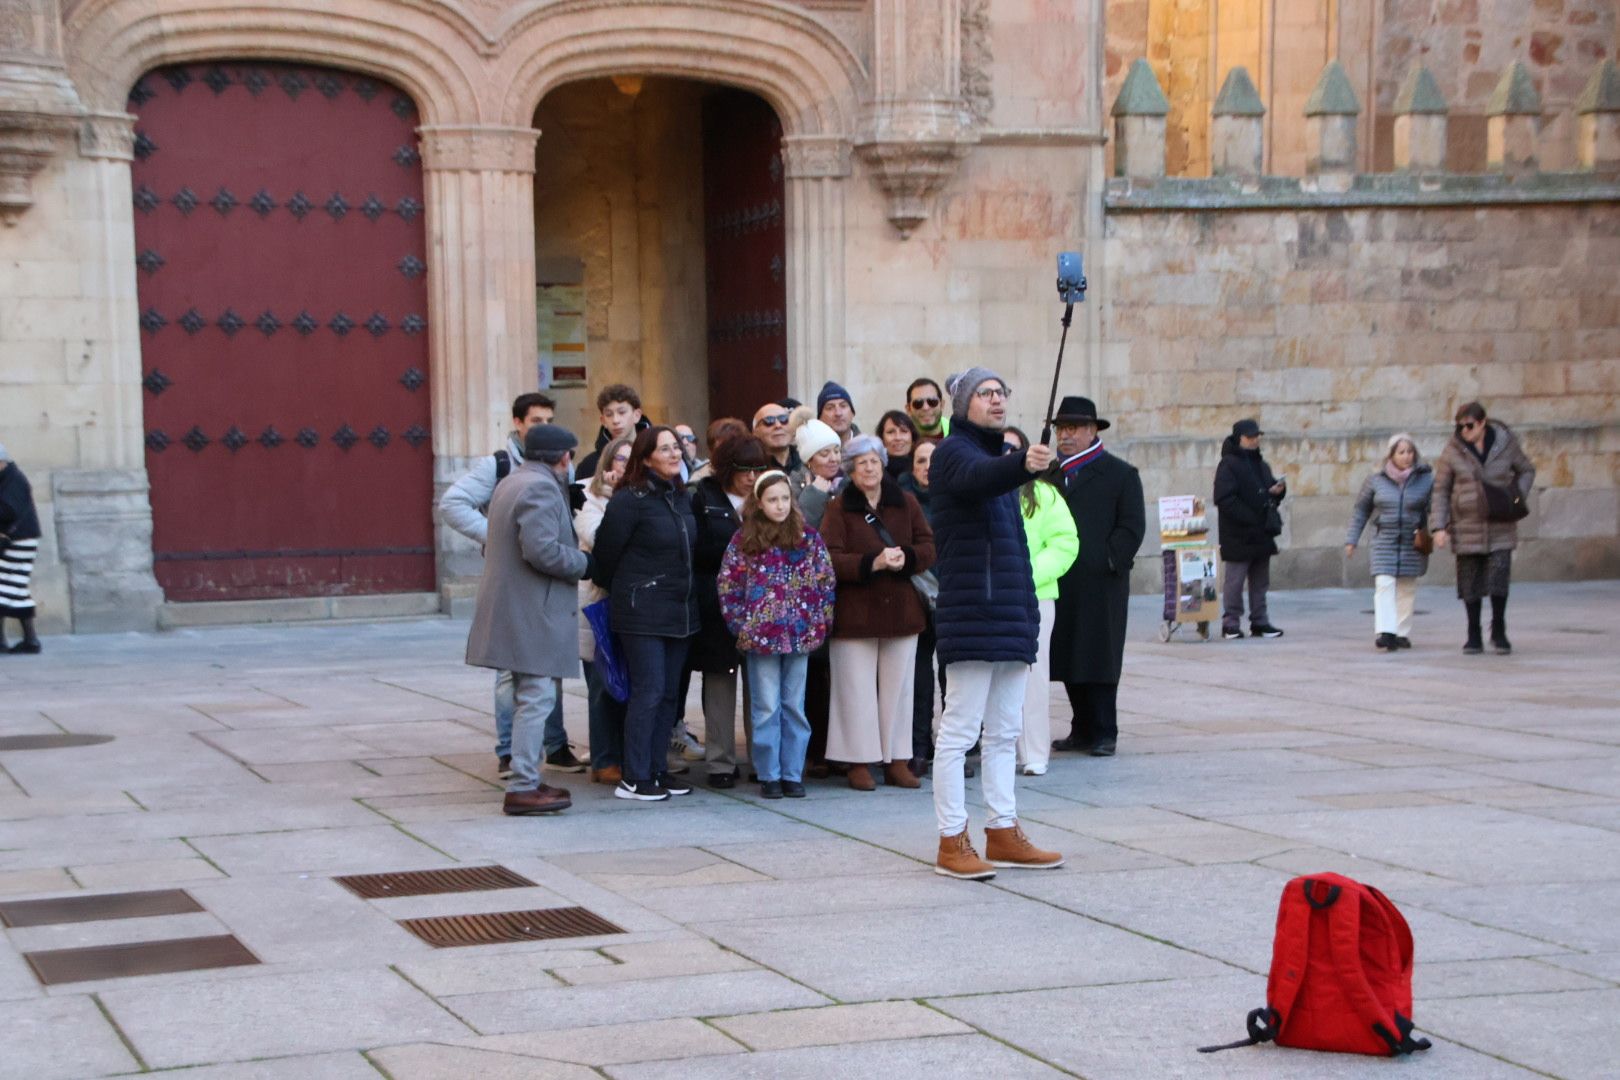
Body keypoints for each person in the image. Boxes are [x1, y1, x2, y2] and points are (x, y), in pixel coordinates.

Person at [929, 368, 1064, 879]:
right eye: (985, 393)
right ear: (963, 405)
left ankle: (1003, 830)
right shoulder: (953, 454)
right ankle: (951, 839)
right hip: (973, 612)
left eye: (1001, 392)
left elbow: (1017, 551)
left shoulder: (1000, 463)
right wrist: (1021, 464)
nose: (996, 399)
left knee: (1005, 732)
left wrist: (1028, 609)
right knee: (960, 731)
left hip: (1009, 613)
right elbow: (976, 480)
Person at [439, 392, 581, 777]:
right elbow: (453, 504)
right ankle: (517, 765)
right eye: (536, 420)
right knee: (524, 685)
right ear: (518, 424)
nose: (543, 425)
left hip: (532, 596)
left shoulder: (532, 476)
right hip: (525, 595)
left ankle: (548, 749)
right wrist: (496, 536)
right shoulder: (508, 470)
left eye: (548, 418)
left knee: (538, 683)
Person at [464, 424, 591, 815]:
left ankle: (527, 777)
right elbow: (542, 551)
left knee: (527, 697)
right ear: (564, 457)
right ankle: (522, 785)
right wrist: (585, 563)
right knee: (536, 698)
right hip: (532, 610)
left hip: (515, 607)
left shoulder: (513, 481)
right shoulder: (539, 487)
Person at [819, 435, 935, 791]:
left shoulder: (907, 502)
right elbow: (829, 558)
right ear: (851, 470)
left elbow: (928, 545)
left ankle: (897, 760)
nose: (868, 468)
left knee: (899, 690)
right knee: (855, 691)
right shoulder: (839, 507)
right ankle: (858, 761)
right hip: (856, 615)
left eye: (874, 461)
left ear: (883, 465)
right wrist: (873, 562)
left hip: (901, 611)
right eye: (861, 463)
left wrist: (907, 558)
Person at [591, 426, 700, 801]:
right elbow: (604, 558)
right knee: (648, 691)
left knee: (669, 694)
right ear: (646, 456)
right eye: (664, 449)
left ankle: (657, 768)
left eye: (677, 448)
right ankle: (634, 777)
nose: (674, 454)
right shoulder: (630, 500)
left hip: (679, 608)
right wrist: (634, 588)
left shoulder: (681, 496)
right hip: (641, 610)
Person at [718, 470, 837, 799]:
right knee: (766, 706)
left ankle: (792, 772)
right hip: (761, 637)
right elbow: (729, 585)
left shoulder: (807, 537)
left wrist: (821, 620)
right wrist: (741, 625)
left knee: (794, 706)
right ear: (759, 503)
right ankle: (769, 772)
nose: (780, 505)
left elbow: (825, 580)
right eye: (773, 500)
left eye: (785, 498)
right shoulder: (744, 541)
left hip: (800, 634)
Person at [1048, 397, 1144, 758]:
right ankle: (1081, 726)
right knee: (1069, 655)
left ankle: (1105, 729)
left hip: (1101, 583)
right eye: (1061, 429)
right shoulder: (1050, 475)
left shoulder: (1120, 474)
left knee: (1099, 657)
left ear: (1092, 431)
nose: (1066, 435)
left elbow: (1132, 527)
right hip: (1062, 580)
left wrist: (1108, 559)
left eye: (1073, 428)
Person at [690, 435, 771, 788]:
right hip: (717, 604)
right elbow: (698, 548)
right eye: (744, 470)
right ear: (727, 469)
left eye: (758, 469)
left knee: (761, 687)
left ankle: (762, 760)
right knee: (720, 685)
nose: (752, 477)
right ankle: (720, 762)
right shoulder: (703, 497)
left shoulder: (770, 496)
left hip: (761, 606)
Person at [1001, 427, 1079, 777]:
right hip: (994, 597)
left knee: (1032, 677)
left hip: (1034, 596)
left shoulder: (1044, 495)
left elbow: (1064, 542)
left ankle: (1033, 751)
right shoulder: (986, 494)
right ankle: (1003, 748)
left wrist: (1027, 575)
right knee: (998, 678)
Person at [1431, 402, 1536, 655]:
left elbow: (1526, 469)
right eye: (1460, 426)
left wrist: (1516, 495)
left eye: (1469, 426)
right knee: (1470, 579)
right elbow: (1441, 489)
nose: (1464, 431)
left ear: (1482, 423)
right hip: (1466, 521)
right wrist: (1439, 526)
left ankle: (1498, 629)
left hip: (1500, 519)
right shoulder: (1453, 450)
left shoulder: (1504, 444)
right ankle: (1473, 633)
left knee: (1499, 574)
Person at [575, 435, 634, 784]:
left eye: (631, 459)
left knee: (630, 681)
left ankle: (629, 753)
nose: (625, 465)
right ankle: (604, 758)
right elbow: (601, 539)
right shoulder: (587, 496)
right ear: (608, 463)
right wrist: (618, 499)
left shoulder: (641, 494)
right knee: (601, 683)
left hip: (632, 599)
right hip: (598, 599)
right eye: (620, 459)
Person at [1345, 434, 1434, 652]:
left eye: (1410, 452)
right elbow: (1361, 511)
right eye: (1401, 452)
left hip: (1412, 540)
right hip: (1384, 539)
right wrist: (1351, 539)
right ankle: (1386, 631)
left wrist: (1442, 528)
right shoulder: (1376, 480)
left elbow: (1436, 506)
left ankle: (1401, 632)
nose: (1406, 456)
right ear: (1391, 455)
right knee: (1384, 585)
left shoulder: (1426, 479)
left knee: (1406, 587)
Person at [1214, 418, 1286, 640]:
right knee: (1235, 581)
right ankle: (1231, 623)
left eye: (1257, 437)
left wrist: (1278, 490)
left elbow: (1267, 488)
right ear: (1240, 439)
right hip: (1239, 534)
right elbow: (1225, 499)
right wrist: (1249, 517)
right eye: (1250, 437)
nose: (1255, 441)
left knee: (1260, 581)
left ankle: (1260, 621)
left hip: (1261, 533)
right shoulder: (1228, 464)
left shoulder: (1260, 464)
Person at [898, 439, 939, 774]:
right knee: (919, 678)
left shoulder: (956, 497)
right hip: (916, 597)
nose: (928, 467)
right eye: (921, 461)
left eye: (934, 460)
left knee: (955, 678)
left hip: (954, 596)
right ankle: (919, 747)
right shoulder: (903, 502)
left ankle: (963, 744)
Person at [0, 443, 43, 655]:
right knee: (17, 589)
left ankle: (1, 642)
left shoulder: (13, 480)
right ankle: (31, 640)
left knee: (4, 587)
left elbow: (8, 510)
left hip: (20, 539)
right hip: (20, 537)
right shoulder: (8, 478)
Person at [576, 383, 650, 482]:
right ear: (603, 421)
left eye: (622, 412)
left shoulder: (655, 454)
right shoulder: (589, 465)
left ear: (636, 415)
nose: (615, 420)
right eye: (609, 414)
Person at [792, 415, 843, 529]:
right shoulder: (793, 485)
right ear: (809, 460)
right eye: (825, 454)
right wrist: (814, 495)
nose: (834, 459)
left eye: (837, 451)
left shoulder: (848, 481)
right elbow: (802, 529)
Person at [752, 402, 802, 473]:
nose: (778, 425)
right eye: (769, 421)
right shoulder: (751, 468)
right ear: (755, 432)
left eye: (784, 419)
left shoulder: (808, 461)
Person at [877, 410, 919, 480]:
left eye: (903, 431)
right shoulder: (873, 471)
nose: (898, 437)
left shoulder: (926, 466)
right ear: (882, 439)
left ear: (913, 437)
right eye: (891, 432)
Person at [906, 377, 949, 442]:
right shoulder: (900, 440)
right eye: (918, 403)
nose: (925, 408)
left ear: (942, 405)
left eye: (932, 402)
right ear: (908, 409)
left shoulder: (959, 433)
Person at [816, 380, 858, 445]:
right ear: (820, 418)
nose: (838, 413)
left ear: (852, 413)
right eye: (830, 408)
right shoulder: (810, 453)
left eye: (843, 406)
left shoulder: (870, 450)